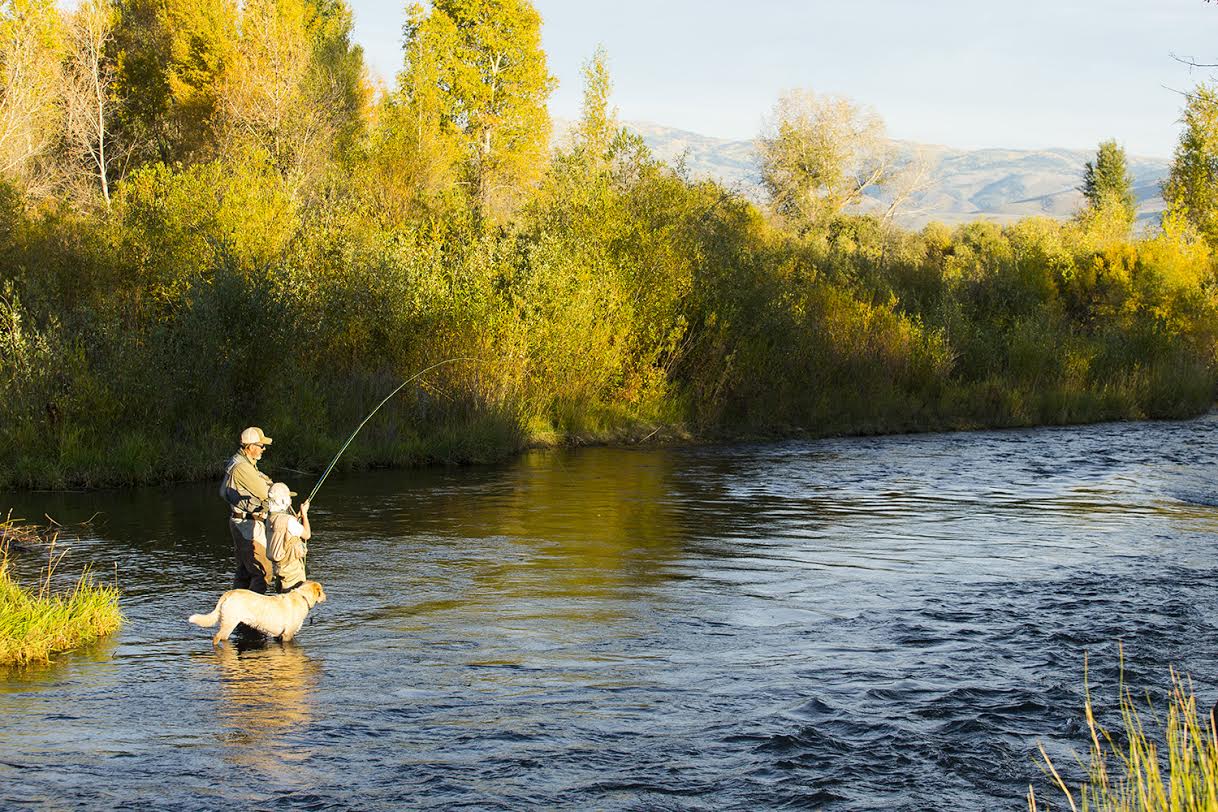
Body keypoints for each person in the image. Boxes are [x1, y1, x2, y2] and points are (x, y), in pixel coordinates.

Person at [219, 427, 275, 593]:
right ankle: (252, 616)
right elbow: (266, 493)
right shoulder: (242, 467)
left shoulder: (241, 462)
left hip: (242, 522)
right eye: (261, 445)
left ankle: (235, 615)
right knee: (263, 572)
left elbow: (223, 492)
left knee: (244, 573)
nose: (264, 449)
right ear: (250, 446)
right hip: (247, 525)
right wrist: (281, 493)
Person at [266, 482, 311, 593]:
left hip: (279, 568)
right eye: (288, 497)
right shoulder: (288, 521)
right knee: (293, 604)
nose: (290, 500)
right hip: (292, 570)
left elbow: (286, 530)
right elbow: (307, 535)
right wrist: (305, 515)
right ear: (283, 500)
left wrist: (299, 515)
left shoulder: (270, 519)